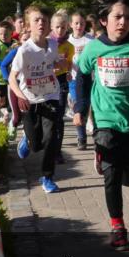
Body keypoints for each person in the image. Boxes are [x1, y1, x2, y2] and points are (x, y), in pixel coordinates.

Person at [74, 0, 129, 250]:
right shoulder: (94, 47)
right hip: (105, 120)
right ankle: (118, 226)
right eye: (117, 17)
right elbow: (82, 77)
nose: (123, 22)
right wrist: (81, 107)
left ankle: (118, 164)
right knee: (111, 176)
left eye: (128, 17)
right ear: (104, 20)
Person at [9, 5, 63, 194]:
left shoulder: (54, 45)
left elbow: (52, 62)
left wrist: (59, 63)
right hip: (29, 100)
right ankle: (27, 140)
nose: (41, 23)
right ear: (28, 26)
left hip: (51, 95)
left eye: (44, 20)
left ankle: (47, 177)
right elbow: (11, 79)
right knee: (36, 144)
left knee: (51, 139)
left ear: (49, 26)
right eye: (36, 20)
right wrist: (21, 96)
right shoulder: (24, 51)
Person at [50, 9, 75, 165]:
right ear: (52, 27)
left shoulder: (69, 46)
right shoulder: (46, 43)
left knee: (59, 118)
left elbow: (68, 63)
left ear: (67, 28)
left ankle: (57, 152)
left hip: (61, 81)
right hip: (45, 81)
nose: (60, 30)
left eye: (63, 27)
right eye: (57, 27)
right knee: (47, 117)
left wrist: (67, 70)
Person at [68, 9, 95, 149]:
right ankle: (81, 137)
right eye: (76, 23)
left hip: (90, 78)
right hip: (73, 79)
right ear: (71, 24)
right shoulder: (68, 41)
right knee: (77, 107)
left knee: (92, 107)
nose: (79, 26)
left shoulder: (91, 40)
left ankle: (97, 134)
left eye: (82, 23)